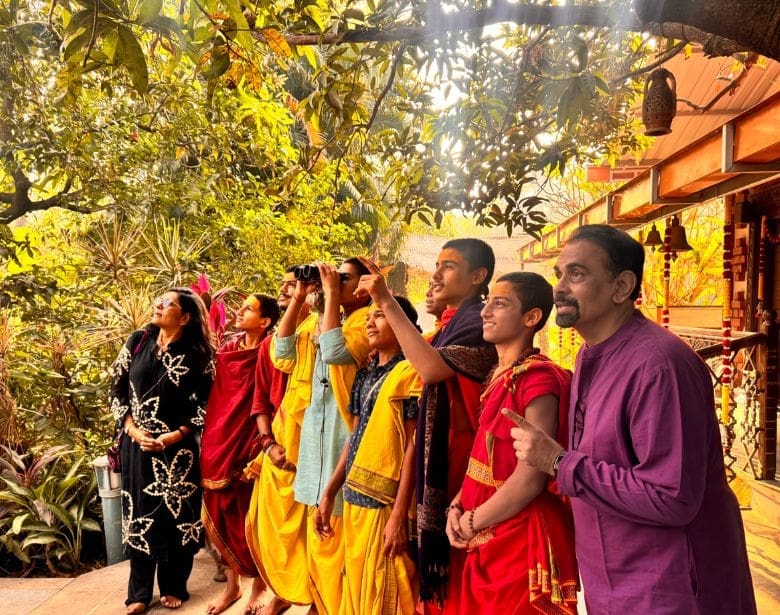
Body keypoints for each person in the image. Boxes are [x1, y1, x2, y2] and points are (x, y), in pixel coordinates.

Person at [507, 224, 757, 614]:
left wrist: (558, 461)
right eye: (559, 274)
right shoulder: (589, 354)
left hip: (670, 587)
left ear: (621, 287)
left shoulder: (659, 366)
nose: (559, 288)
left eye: (577, 274)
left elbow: (672, 497)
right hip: (614, 580)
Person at [355, 239, 497, 614]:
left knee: (458, 574)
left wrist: (386, 300)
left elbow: (431, 369)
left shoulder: (477, 323)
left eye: (448, 266)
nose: (436, 274)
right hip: (438, 457)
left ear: (477, 277)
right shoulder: (451, 326)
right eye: (437, 264)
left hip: (463, 462)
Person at [444, 272, 578, 615]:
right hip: (481, 530)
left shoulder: (536, 379)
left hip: (519, 541)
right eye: (487, 302)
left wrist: (471, 522)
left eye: (500, 304)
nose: (485, 311)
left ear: (531, 317)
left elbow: (531, 477)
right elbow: (482, 455)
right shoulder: (498, 375)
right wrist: (456, 508)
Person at [260, 259, 372, 614]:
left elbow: (336, 351)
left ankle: (335, 603)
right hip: (314, 435)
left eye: (344, 278)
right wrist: (298, 298)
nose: (334, 281)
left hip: (342, 432)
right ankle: (320, 599)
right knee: (318, 524)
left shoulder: (367, 321)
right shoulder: (316, 320)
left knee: (338, 523)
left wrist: (331, 295)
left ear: (364, 288)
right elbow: (281, 355)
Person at [108, 288, 214, 614]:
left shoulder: (199, 354)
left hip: (178, 449)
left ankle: (173, 586)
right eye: (159, 299)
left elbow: (207, 404)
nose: (158, 304)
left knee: (176, 515)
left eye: (168, 303)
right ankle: (138, 593)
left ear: (184, 318)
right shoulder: (137, 341)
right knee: (139, 515)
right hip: (136, 445)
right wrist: (131, 429)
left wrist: (174, 436)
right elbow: (116, 389)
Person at [316, 297, 423, 614]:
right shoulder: (366, 374)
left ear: (402, 323)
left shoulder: (409, 374)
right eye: (369, 317)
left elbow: (412, 446)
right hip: (354, 495)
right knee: (357, 585)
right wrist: (330, 492)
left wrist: (398, 515)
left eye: (380, 315)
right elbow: (355, 436)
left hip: (386, 501)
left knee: (385, 588)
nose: (370, 322)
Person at [201, 294, 281, 615]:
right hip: (220, 439)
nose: (240, 311)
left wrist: (265, 440)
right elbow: (221, 397)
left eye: (249, 309)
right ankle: (232, 587)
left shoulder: (271, 349)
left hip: (251, 439)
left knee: (252, 514)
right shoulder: (229, 349)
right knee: (220, 510)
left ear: (265, 322)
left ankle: (261, 586)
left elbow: (271, 397)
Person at [243, 267, 310, 615]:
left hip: (311, 451)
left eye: (293, 284)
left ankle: (310, 597)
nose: (285, 289)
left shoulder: (323, 337)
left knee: (312, 533)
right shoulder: (271, 345)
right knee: (270, 531)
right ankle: (279, 591)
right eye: (283, 284)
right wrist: (268, 444)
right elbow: (260, 401)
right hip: (277, 450)